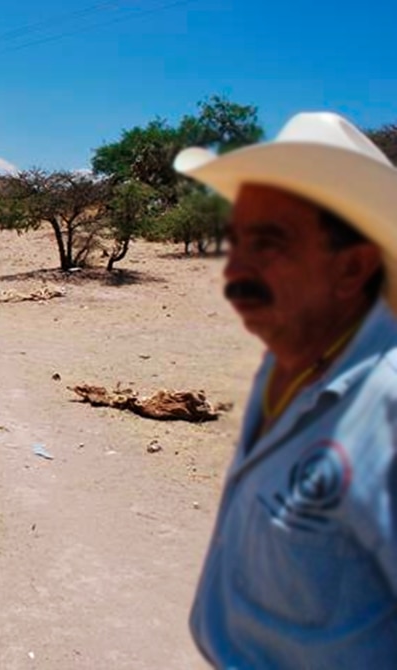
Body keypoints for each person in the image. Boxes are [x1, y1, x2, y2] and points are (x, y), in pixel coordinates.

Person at [173, 112, 397, 668]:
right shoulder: (286, 361)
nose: (234, 271)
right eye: (236, 241)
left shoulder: (386, 406)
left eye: (268, 243)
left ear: (353, 267)